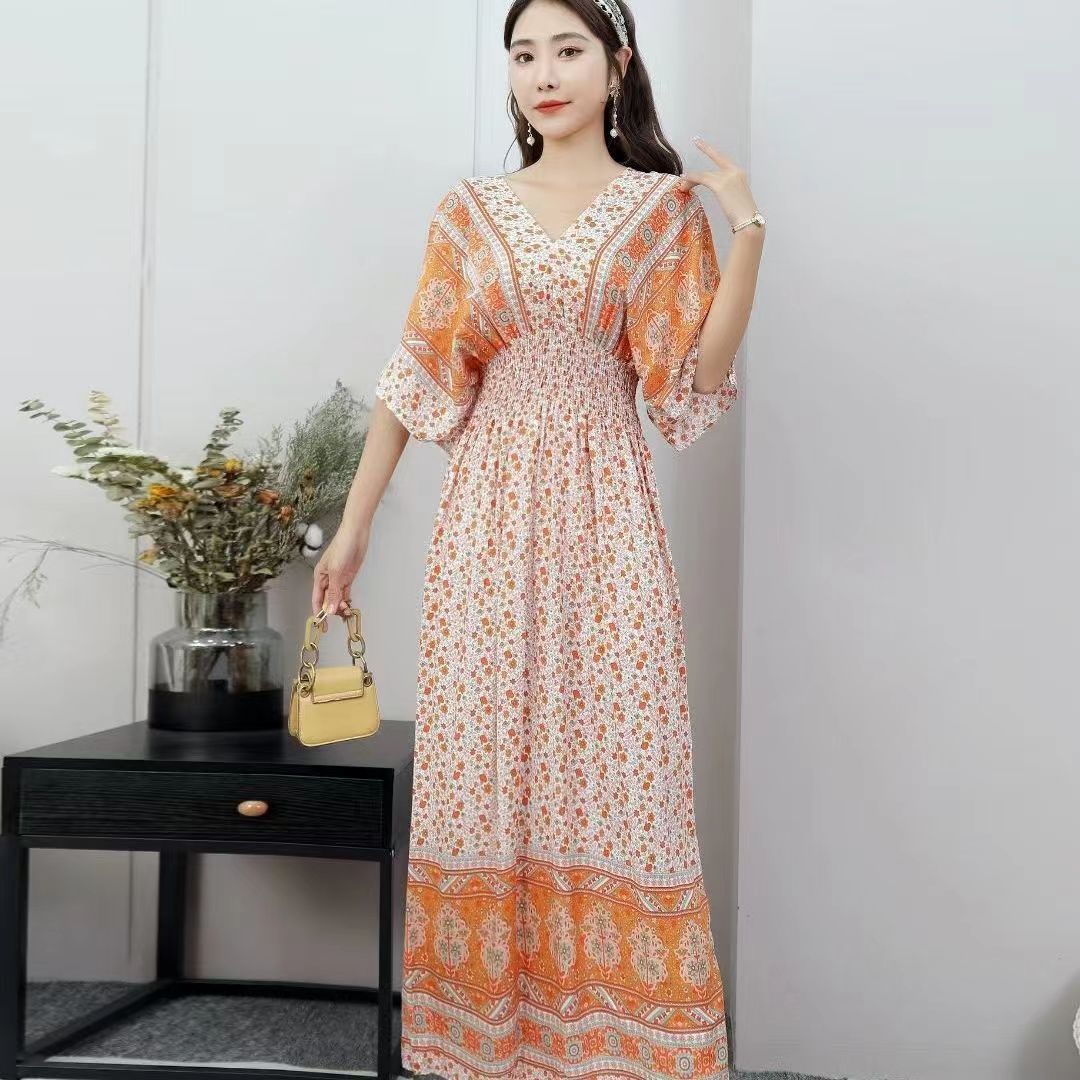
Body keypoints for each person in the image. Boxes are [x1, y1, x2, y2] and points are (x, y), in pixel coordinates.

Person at [312, 0, 765, 1074]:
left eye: (567, 50)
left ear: (617, 64)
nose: (543, 74)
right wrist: (353, 526)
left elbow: (692, 378)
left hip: (608, 522)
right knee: (483, 771)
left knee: (621, 774)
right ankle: (486, 1051)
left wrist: (747, 232)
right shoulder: (469, 212)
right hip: (487, 523)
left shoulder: (660, 211)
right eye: (523, 55)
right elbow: (416, 376)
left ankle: (614, 1049)